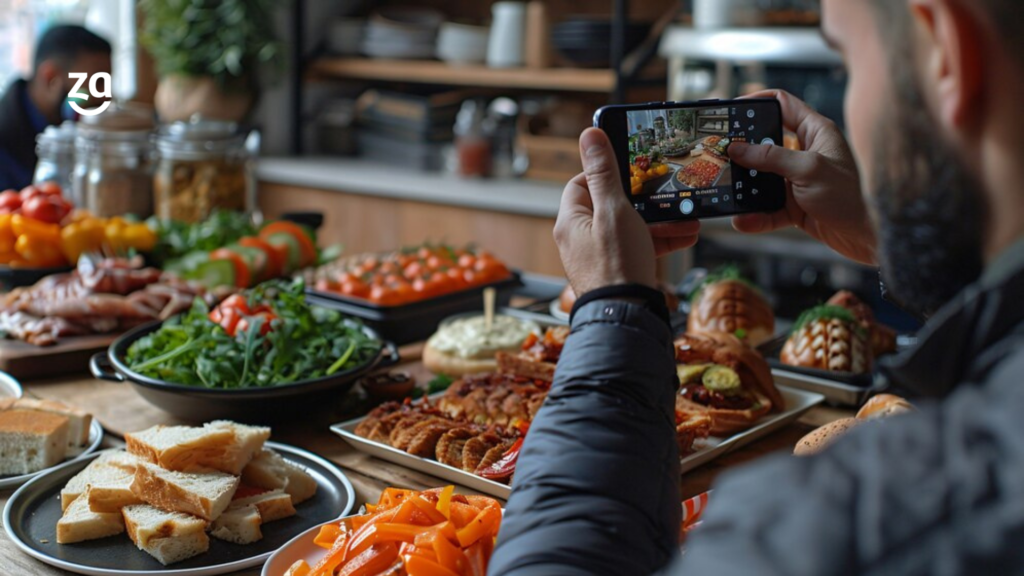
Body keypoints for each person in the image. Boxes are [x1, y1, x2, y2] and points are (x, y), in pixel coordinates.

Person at [490, 0, 1024, 574]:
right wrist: (883, 235)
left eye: (845, 62)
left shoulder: (825, 528)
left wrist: (612, 314)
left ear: (946, 51)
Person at [0, 25, 111, 190]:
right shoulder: (6, 139)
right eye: (97, 82)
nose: (106, 95)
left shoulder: (74, 127)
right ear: (51, 78)